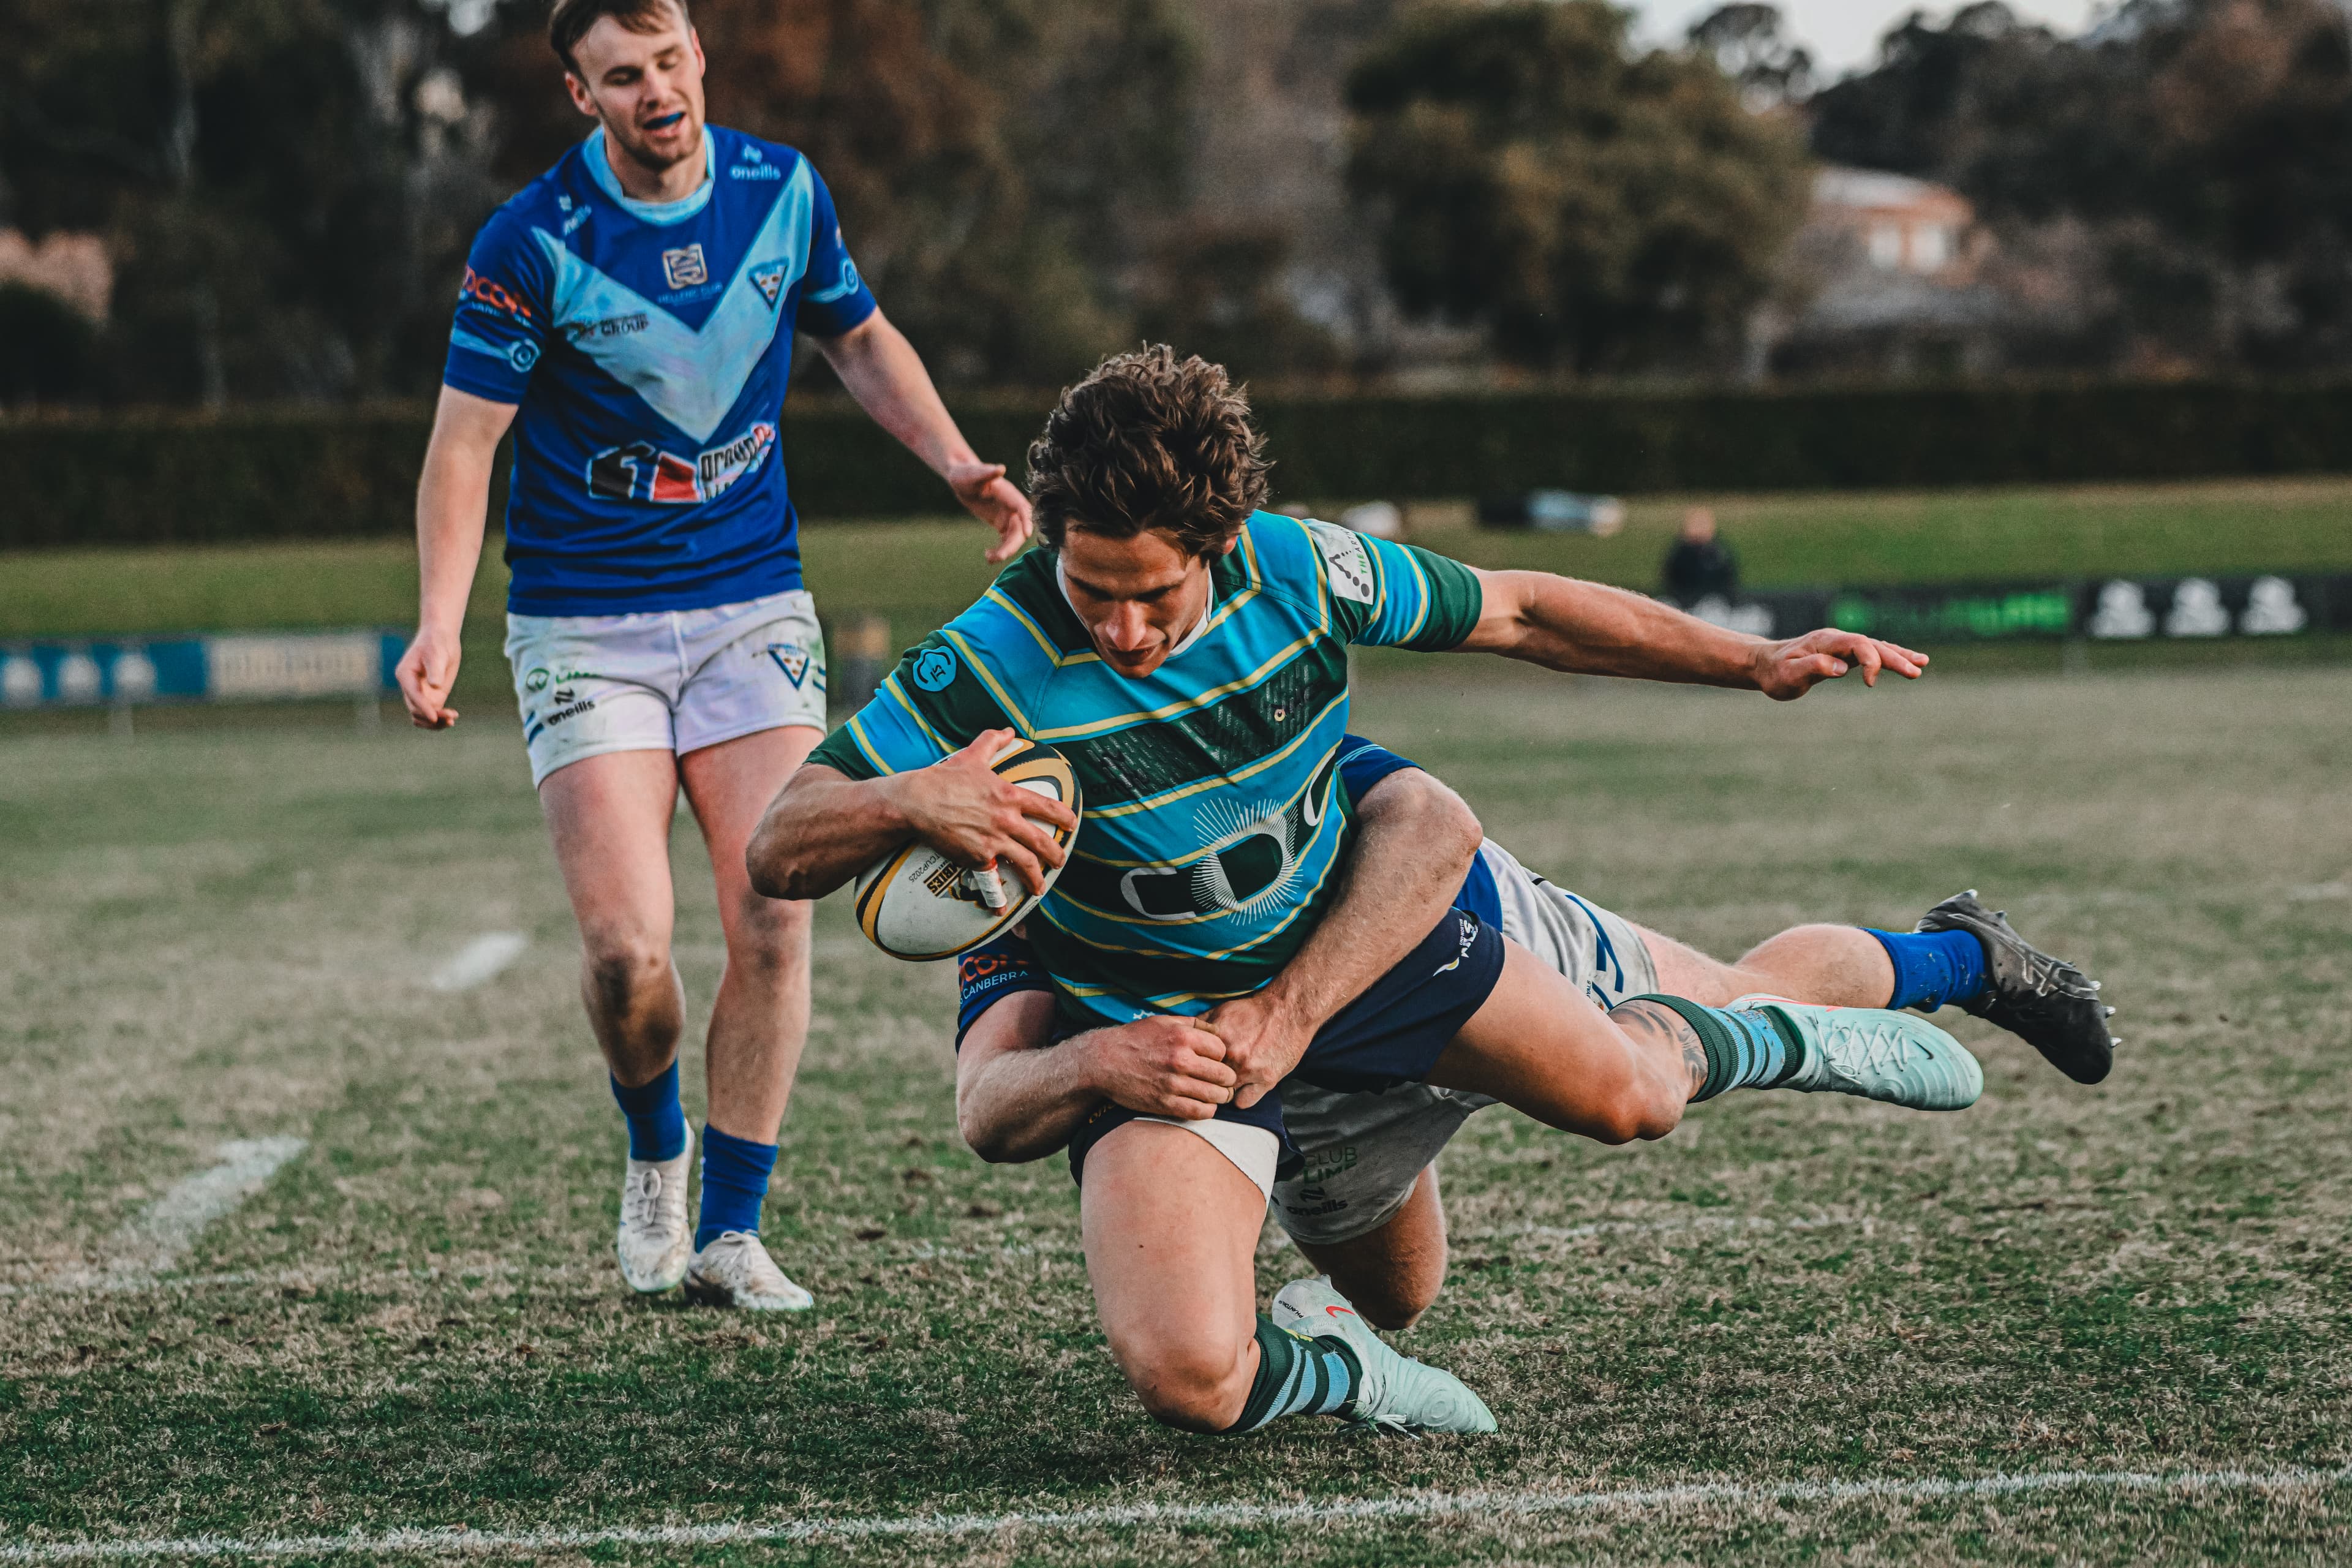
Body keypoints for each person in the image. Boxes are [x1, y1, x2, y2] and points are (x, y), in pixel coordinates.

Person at [744, 345, 2114, 1436]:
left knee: (1645, 1080)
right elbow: (779, 846)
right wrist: (903, 797)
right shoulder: (986, 657)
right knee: (1317, 1323)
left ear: (1221, 541)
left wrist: (1746, 658)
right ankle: (1344, 1364)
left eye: (1149, 594)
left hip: (1380, 932)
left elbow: (1519, 611)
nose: (1116, 627)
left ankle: (1958, 959)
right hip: (1200, 1036)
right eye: (1089, 586)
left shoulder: (1301, 567)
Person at [393, 0, 1033, 1311]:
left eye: (670, 62)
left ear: (700, 61)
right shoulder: (531, 241)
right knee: (631, 952)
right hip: (584, 622)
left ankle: (733, 1229)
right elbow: (467, 443)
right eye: (621, 76)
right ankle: (654, 1152)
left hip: (750, 605)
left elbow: (857, 337)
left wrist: (959, 459)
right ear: (581, 95)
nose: (655, 92)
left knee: (773, 912)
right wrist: (441, 618)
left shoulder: (782, 192)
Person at [953, 736, 2117, 1359]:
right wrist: (1094, 1062)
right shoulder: (1005, 893)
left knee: (1697, 1020)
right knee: (1398, 1298)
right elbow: (990, 1106)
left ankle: (1969, 961)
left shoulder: (1218, 731)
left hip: (1443, 944)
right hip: (1303, 1091)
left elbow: (1427, 812)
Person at [1662, 507, 1740, 604]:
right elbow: (1672, 583)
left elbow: (1728, 585)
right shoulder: (1679, 555)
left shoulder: (1719, 555)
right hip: (1683, 603)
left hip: (1713, 604)